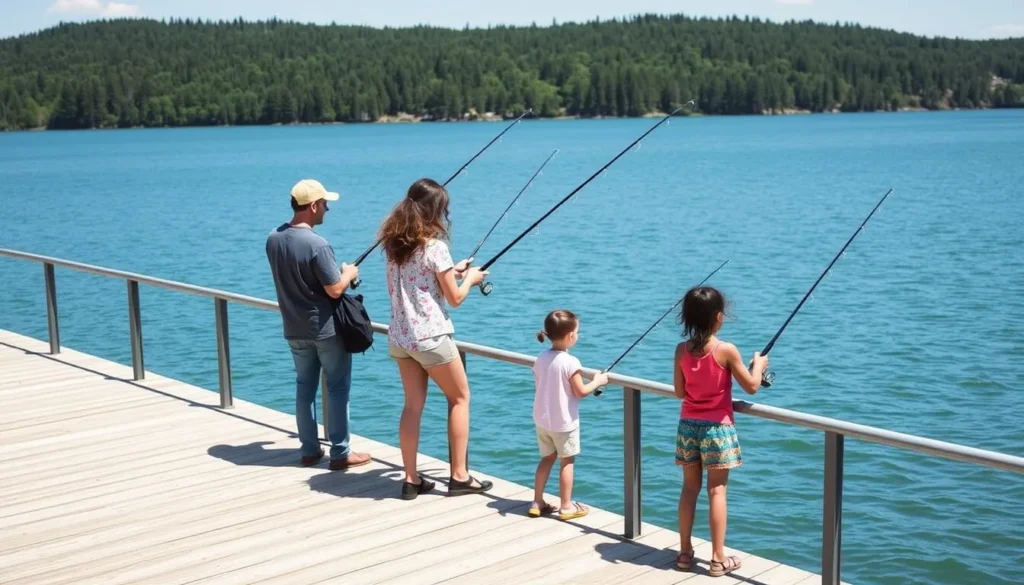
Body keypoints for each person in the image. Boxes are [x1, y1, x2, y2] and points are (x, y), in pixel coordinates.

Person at [379, 178, 491, 500]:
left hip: (400, 337)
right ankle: (459, 476)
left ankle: (411, 479)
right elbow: (454, 299)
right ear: (433, 210)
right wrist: (469, 278)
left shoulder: (394, 244)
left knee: (412, 406)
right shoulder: (435, 247)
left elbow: (418, 281)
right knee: (460, 398)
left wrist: (452, 270)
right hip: (430, 337)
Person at [266, 178, 369, 470]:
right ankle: (340, 453)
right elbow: (335, 289)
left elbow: (302, 277)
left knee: (304, 388)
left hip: (293, 327)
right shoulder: (318, 244)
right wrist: (347, 273)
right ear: (312, 206)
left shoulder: (273, 238)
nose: (327, 209)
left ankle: (310, 450)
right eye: (325, 204)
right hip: (324, 329)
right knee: (337, 388)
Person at [673, 286, 768, 577]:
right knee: (717, 490)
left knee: (690, 489)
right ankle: (717, 559)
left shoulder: (681, 350)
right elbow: (751, 386)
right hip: (718, 429)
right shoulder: (725, 350)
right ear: (718, 317)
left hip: (688, 425)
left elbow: (680, 391)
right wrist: (759, 366)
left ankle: (685, 553)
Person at [529, 310, 608, 520]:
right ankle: (566, 506)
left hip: (543, 420)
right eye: (577, 332)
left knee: (546, 459)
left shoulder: (541, 357)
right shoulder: (571, 362)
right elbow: (580, 391)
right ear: (570, 336)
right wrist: (598, 381)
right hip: (564, 423)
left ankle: (537, 502)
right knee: (567, 462)